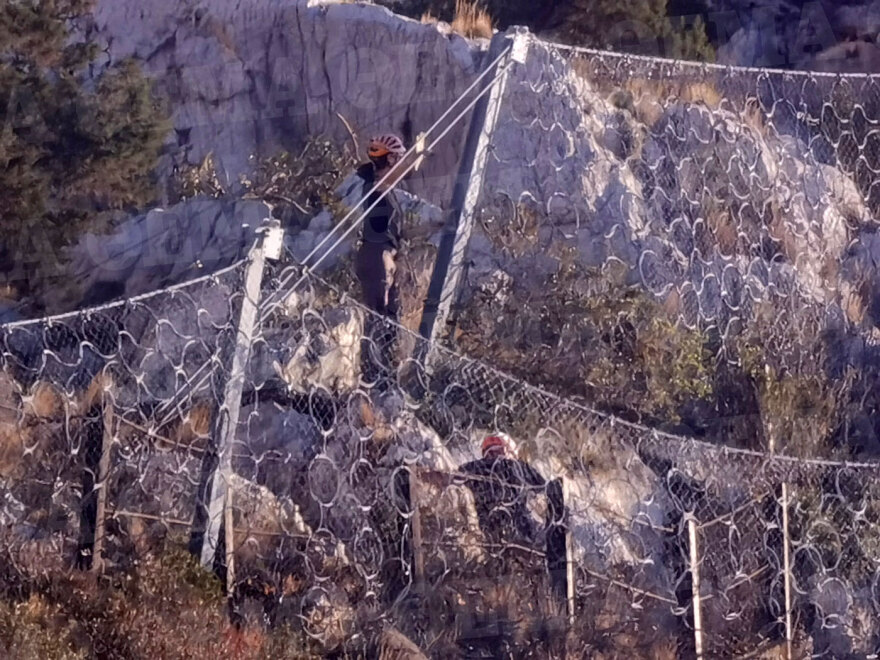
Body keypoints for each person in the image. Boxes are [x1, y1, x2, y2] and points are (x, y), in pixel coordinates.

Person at [354, 134, 407, 317]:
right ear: (390, 158)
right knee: (380, 316)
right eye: (397, 158)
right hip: (379, 257)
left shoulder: (381, 187)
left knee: (388, 316)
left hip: (381, 256)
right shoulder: (375, 185)